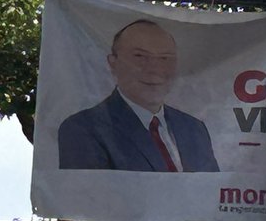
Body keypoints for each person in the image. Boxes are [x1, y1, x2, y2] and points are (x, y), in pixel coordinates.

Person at [57, 19, 219, 172]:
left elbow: (214, 194)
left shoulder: (194, 129)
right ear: (113, 63)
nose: (155, 69)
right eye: (140, 57)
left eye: (165, 58)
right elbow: (89, 197)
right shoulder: (84, 128)